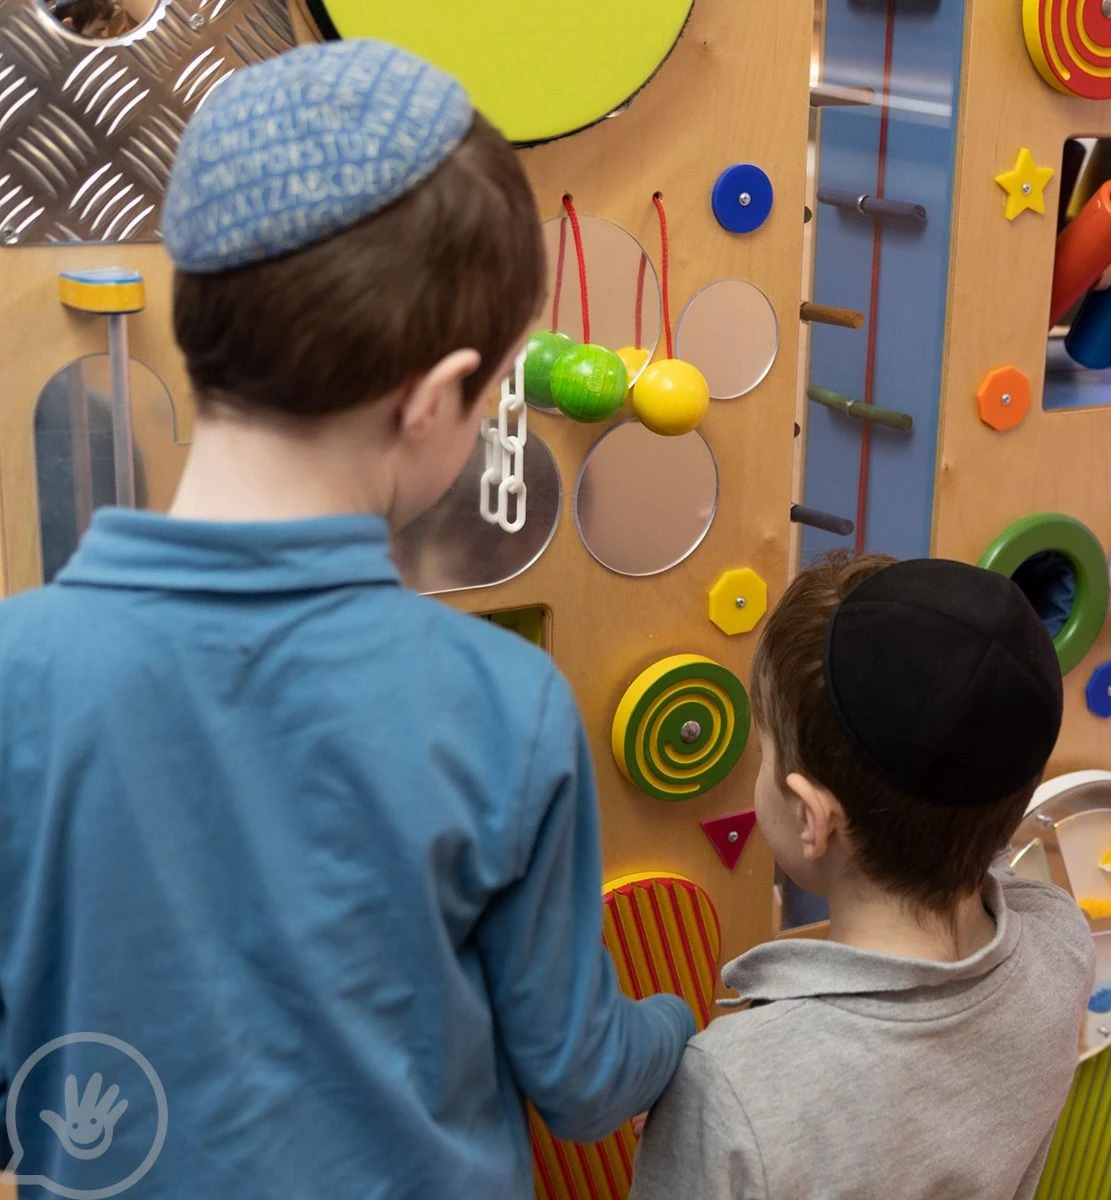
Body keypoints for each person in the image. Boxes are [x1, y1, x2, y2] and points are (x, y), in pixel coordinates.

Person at [0, 41, 693, 1199]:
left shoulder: (15, 673)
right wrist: (676, 1025)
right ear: (432, 398)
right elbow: (579, 1079)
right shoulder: (503, 705)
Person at [631, 553, 1095, 1200]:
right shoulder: (1061, 939)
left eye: (765, 751)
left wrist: (696, 1131)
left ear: (811, 818)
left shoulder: (731, 1089)